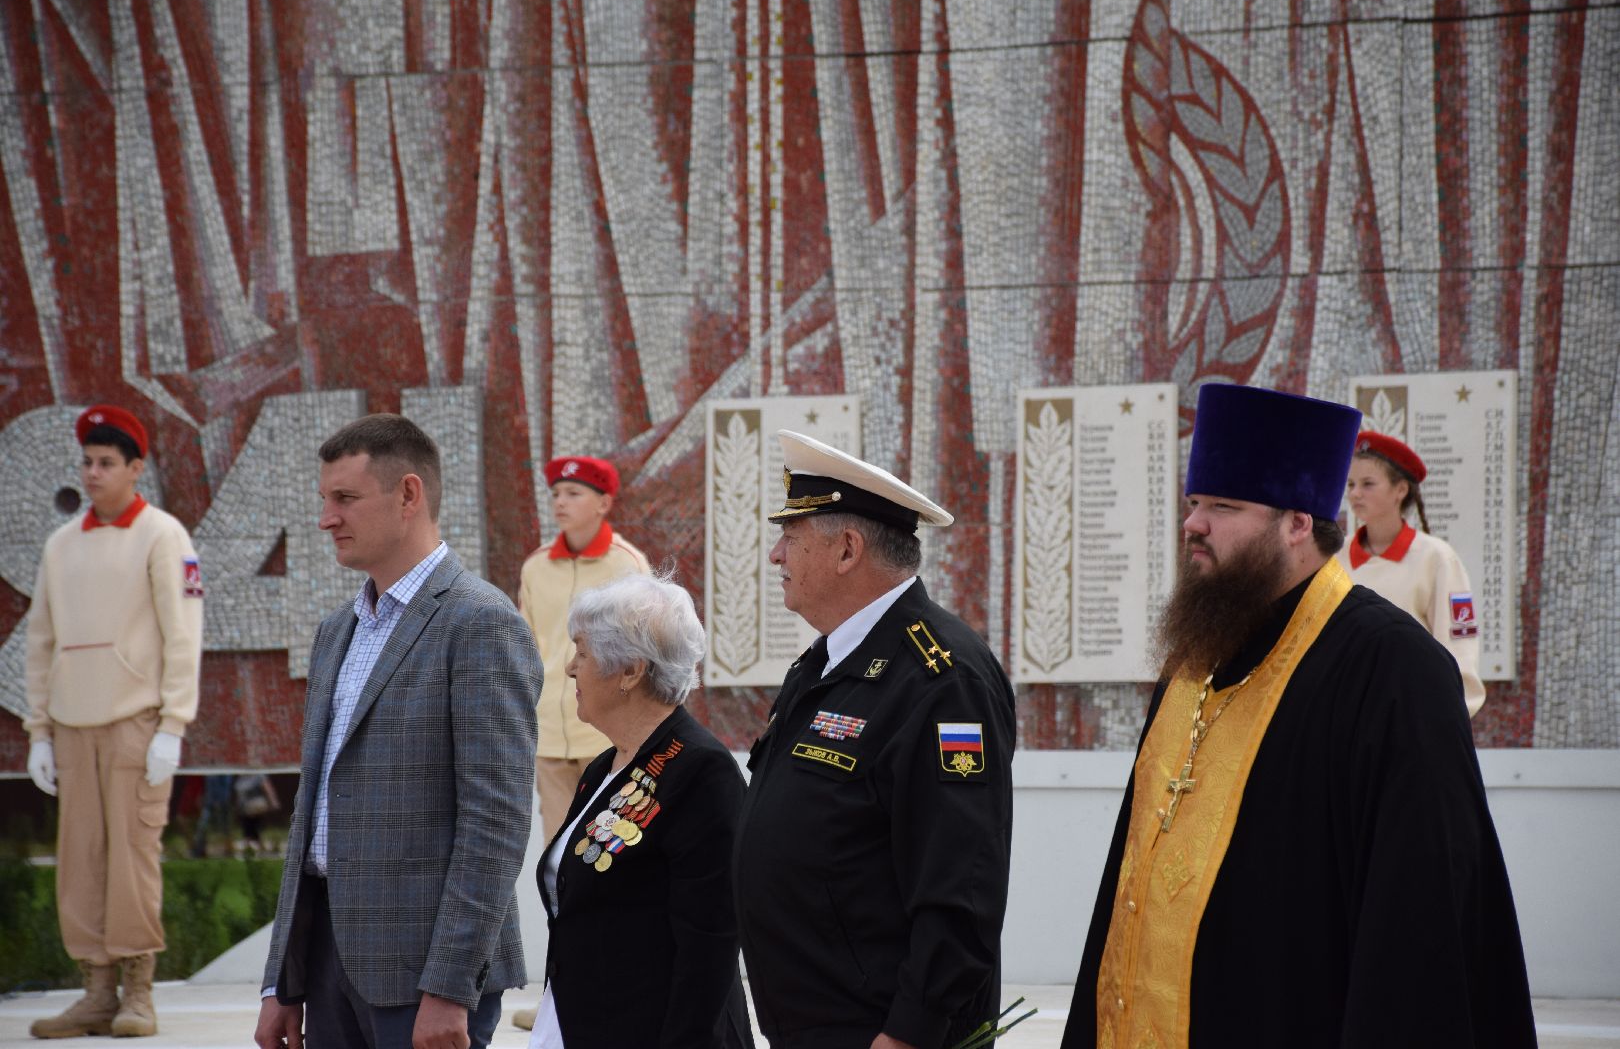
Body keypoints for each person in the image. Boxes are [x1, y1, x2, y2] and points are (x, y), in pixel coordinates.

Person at [1060, 384, 1534, 1049]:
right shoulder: (1195, 656)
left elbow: (1417, 926)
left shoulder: (1392, 668)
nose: (1193, 522)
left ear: (1298, 523)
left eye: (1223, 506)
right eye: (1194, 502)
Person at [254, 414, 542, 1049]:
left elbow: (495, 825)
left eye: (346, 499)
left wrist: (450, 988)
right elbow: (312, 818)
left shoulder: (481, 623)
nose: (327, 518)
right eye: (324, 500)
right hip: (328, 965)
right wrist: (282, 981)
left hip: (425, 981)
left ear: (409, 494)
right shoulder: (338, 629)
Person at [734, 431, 1017, 1049]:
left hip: (882, 1033)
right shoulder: (828, 661)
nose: (776, 555)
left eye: (792, 538)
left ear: (847, 550)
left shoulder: (944, 678)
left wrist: (909, 1033)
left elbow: (960, 882)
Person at [23, 403, 204, 1039]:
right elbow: (40, 641)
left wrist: (172, 725)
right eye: (87, 462)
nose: (93, 473)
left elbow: (183, 635)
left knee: (132, 860)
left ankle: (137, 995)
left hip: (135, 721)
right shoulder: (60, 545)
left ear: (136, 469)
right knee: (81, 862)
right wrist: (38, 732)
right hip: (72, 725)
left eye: (106, 463)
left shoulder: (162, 535)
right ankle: (95, 994)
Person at [529, 573, 753, 1049]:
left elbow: (709, 945)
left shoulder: (701, 771)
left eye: (583, 653)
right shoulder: (603, 769)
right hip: (583, 1021)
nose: (570, 669)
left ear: (630, 671)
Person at [510, 454, 649, 1031]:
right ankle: (558, 995)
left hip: (611, 739)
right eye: (557, 492)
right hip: (550, 739)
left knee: (617, 866)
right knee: (559, 871)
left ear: (604, 502)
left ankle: (623, 982)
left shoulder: (629, 565)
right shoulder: (536, 567)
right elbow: (524, 649)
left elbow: (647, 650)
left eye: (574, 492)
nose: (561, 501)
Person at [1339, 429, 1486, 715]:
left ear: (1400, 490)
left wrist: (1449, 718)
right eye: (1351, 484)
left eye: (1368, 484)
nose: (1355, 494)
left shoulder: (1437, 558)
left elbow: (1459, 648)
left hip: (1412, 715)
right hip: (1347, 718)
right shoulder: (1335, 557)